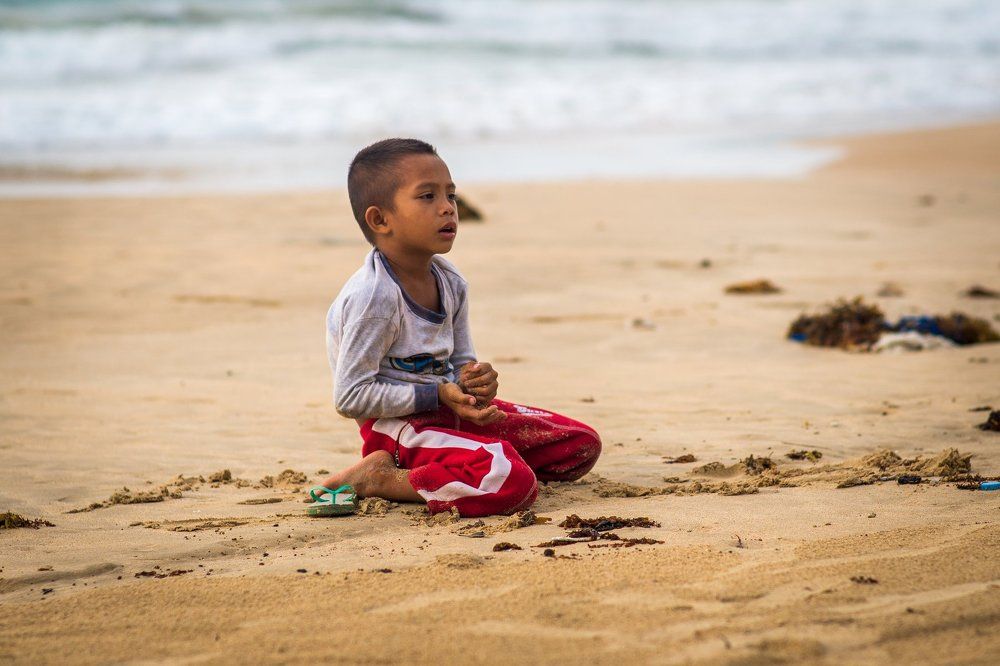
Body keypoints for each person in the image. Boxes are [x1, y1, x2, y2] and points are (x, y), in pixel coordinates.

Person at [315, 138, 601, 517]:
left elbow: (460, 365)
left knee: (579, 446)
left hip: (449, 411)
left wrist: (475, 386)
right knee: (511, 483)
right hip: (398, 427)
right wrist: (438, 395)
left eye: (450, 194)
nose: (448, 207)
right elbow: (350, 396)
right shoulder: (375, 299)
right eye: (427, 197)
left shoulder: (450, 281)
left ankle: (464, 464)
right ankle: (380, 478)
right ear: (380, 220)